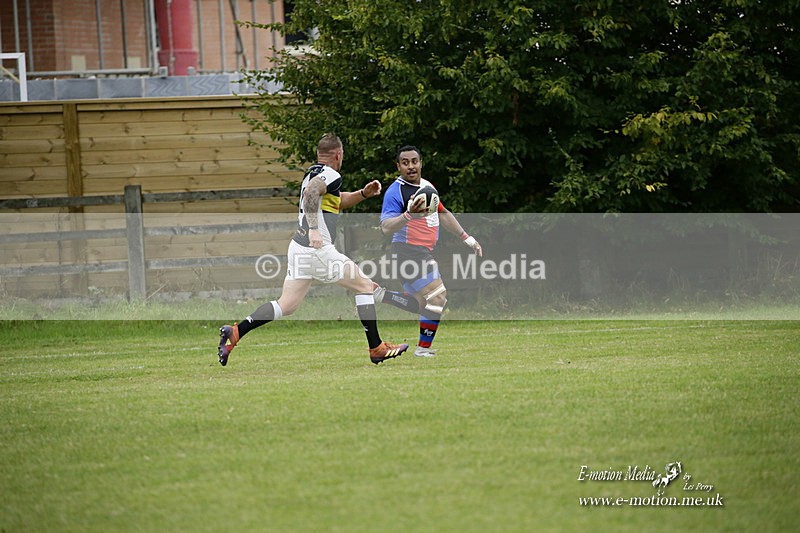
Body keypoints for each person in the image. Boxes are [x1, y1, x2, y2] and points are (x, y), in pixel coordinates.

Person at [217, 134, 409, 366]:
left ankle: (236, 332)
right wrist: (314, 229)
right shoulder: (330, 174)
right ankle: (376, 348)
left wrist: (363, 194)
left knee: (286, 305)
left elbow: (332, 200)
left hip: (298, 248)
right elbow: (311, 194)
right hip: (317, 250)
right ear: (338, 154)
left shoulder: (313, 172)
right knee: (365, 286)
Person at [375, 145, 482, 357]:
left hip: (418, 252)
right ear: (398, 166)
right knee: (438, 296)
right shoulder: (395, 192)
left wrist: (466, 238)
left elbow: (442, 213)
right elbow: (386, 227)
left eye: (414, 161)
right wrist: (408, 216)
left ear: (421, 162)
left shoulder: (426, 187)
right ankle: (423, 350)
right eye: (405, 163)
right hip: (408, 252)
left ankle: (381, 295)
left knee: (422, 303)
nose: (411, 166)